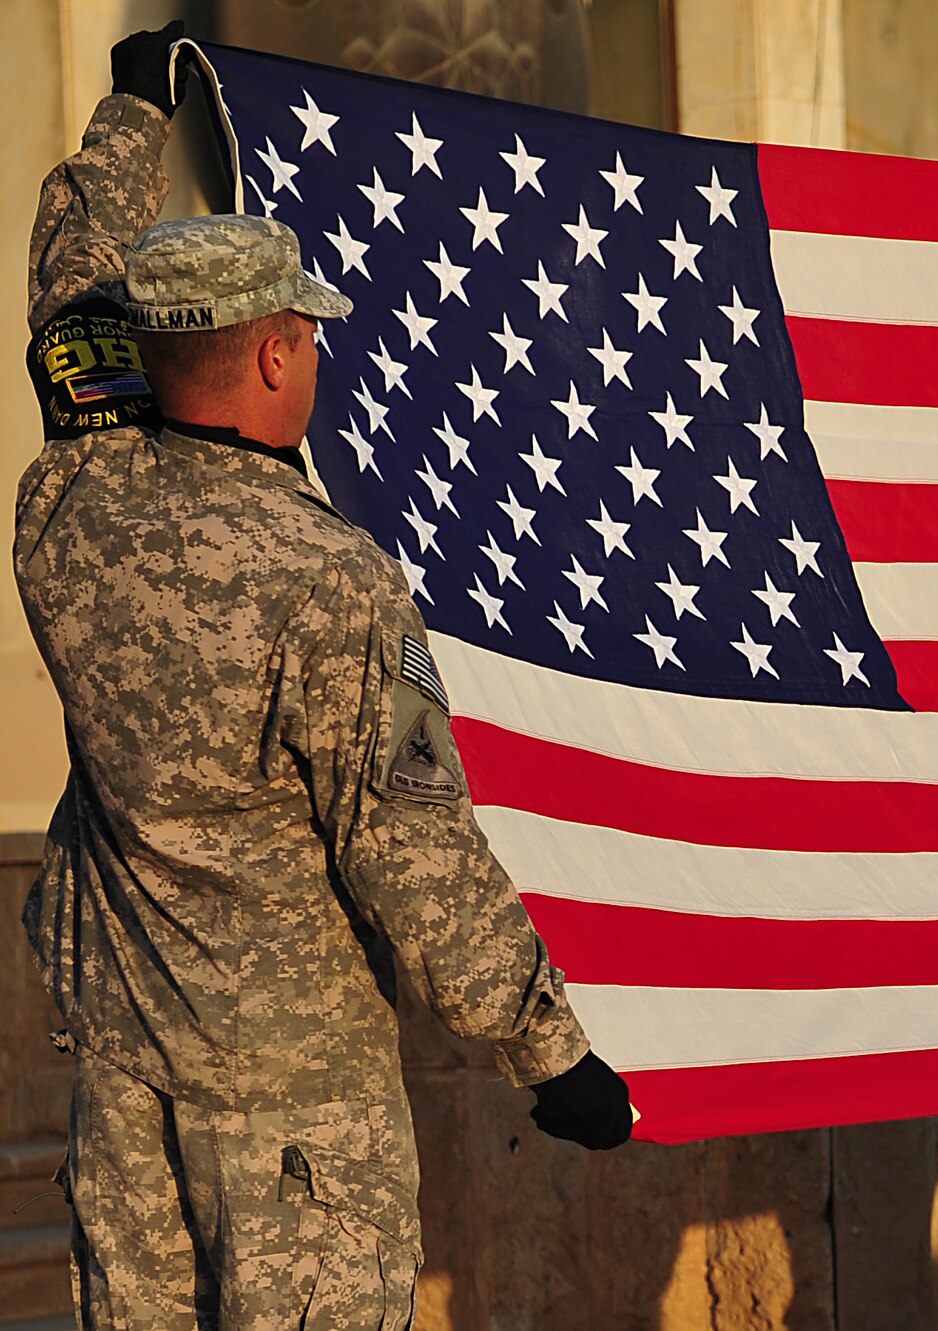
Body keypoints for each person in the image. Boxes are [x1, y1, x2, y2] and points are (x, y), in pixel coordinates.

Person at [15, 25, 634, 1329]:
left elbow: (69, 273)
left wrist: (129, 115)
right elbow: (415, 845)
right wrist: (552, 1050)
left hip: (127, 1083)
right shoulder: (332, 581)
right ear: (275, 354)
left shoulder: (70, 492)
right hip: (295, 1128)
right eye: (309, 331)